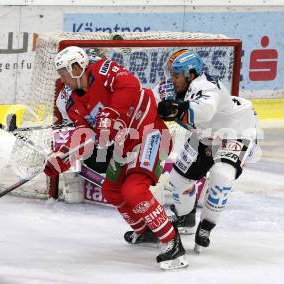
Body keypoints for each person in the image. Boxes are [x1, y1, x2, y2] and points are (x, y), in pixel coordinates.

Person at [44, 46, 188, 270]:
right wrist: (64, 156)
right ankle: (146, 231)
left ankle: (172, 242)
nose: (61, 79)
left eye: (63, 73)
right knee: (110, 190)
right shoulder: (74, 104)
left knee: (134, 190)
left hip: (150, 134)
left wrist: (112, 112)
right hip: (125, 146)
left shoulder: (102, 70)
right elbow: (86, 137)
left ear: (75, 68)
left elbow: (130, 84)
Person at [157, 49, 259, 253]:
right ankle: (185, 217)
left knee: (222, 175)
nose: (173, 80)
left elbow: (205, 110)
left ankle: (206, 227)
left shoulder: (205, 85)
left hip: (236, 131)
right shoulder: (174, 87)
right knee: (178, 181)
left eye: (177, 75)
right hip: (205, 134)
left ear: (190, 74)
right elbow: (148, 98)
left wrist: (178, 106)